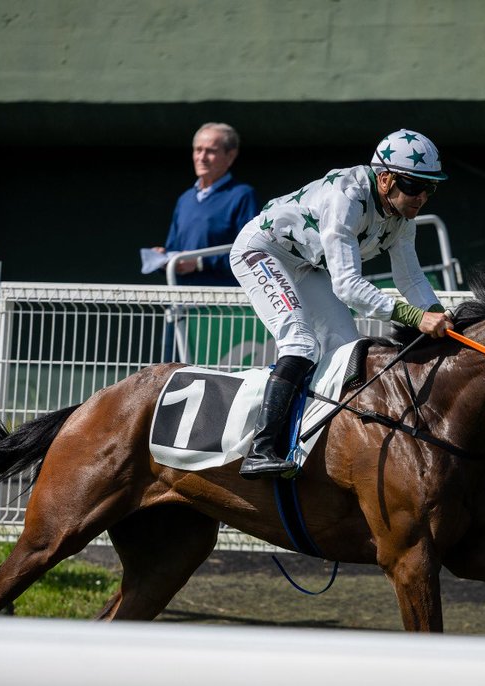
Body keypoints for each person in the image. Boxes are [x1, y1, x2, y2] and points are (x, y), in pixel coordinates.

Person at [229, 128, 454, 479]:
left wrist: (439, 315)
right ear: (384, 180)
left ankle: (315, 442)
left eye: (430, 188)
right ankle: (261, 449)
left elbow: (410, 278)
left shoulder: (402, 216)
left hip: (306, 264)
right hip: (262, 251)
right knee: (301, 344)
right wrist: (415, 317)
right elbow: (348, 286)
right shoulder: (346, 197)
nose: (421, 196)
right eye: (413, 186)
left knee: (346, 351)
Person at [145, 122, 258, 286]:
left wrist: (200, 263)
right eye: (198, 150)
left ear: (230, 156)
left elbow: (251, 254)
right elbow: (175, 249)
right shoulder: (185, 199)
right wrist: (163, 259)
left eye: (210, 151)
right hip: (182, 303)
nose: (202, 157)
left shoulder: (242, 195)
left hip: (222, 305)